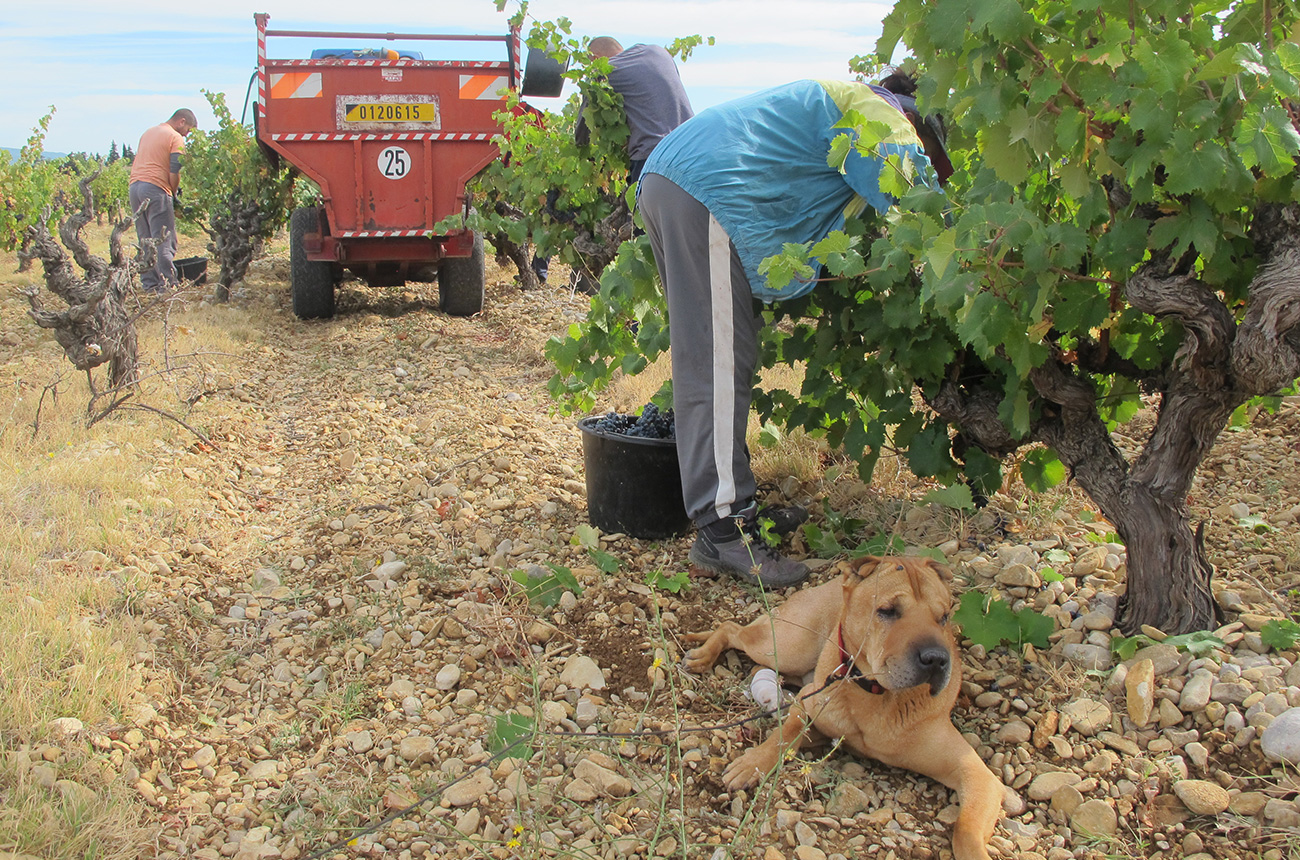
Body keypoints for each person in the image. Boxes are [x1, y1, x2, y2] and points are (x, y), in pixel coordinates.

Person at [636, 77, 951, 588]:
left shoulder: (841, 102)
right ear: (922, 127)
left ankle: (737, 509)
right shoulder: (884, 117)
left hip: (682, 181)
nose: (933, 164)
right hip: (705, 191)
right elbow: (921, 209)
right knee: (715, 365)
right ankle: (723, 531)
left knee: (721, 354)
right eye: (935, 155)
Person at [575, 37, 694, 183]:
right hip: (691, 148)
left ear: (595, 59)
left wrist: (587, 157)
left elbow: (583, 132)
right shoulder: (658, 52)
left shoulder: (604, 72)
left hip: (652, 158)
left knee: (644, 205)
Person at [128, 108, 197, 293]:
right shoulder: (175, 137)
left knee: (145, 239)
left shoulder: (148, 132)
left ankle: (149, 285)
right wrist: (173, 195)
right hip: (155, 188)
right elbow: (174, 171)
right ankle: (168, 287)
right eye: (188, 130)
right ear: (181, 121)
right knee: (164, 239)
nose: (187, 134)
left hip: (134, 188)